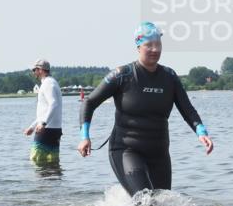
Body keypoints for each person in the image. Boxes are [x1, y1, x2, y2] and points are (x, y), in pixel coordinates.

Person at [77, 21, 213, 196]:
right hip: (126, 150)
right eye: (149, 45)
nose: (155, 49)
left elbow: (187, 109)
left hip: (159, 153)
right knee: (145, 200)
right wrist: (84, 137)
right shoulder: (122, 75)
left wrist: (201, 132)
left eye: (158, 44)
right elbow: (89, 102)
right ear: (138, 46)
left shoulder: (169, 77)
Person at [23, 59, 63, 165]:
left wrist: (43, 124)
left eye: (34, 70)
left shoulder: (48, 84)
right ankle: (53, 182)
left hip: (47, 130)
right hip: (53, 129)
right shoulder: (51, 82)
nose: (33, 72)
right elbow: (45, 111)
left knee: (36, 160)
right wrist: (32, 127)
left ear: (40, 70)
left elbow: (53, 104)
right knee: (52, 163)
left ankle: (40, 182)